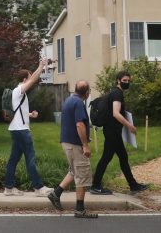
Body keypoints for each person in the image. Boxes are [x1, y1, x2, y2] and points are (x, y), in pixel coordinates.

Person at [90, 70, 149, 195]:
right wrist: (129, 126)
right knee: (106, 158)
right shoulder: (117, 94)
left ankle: (133, 185)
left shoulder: (115, 92)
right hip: (112, 132)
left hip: (112, 131)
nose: (127, 83)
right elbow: (116, 113)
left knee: (122, 157)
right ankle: (95, 186)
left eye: (128, 81)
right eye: (124, 81)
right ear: (118, 80)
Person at [2, 58, 53, 197]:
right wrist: (41, 66)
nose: (32, 80)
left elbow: (18, 111)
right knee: (30, 158)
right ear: (24, 80)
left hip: (15, 129)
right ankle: (39, 188)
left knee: (13, 159)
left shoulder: (16, 92)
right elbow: (34, 79)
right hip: (22, 131)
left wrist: (30, 114)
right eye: (29, 78)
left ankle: (8, 188)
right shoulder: (19, 90)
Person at [47, 80, 97, 219]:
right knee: (82, 174)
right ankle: (80, 210)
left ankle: (55, 194)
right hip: (75, 144)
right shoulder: (79, 103)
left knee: (74, 171)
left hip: (67, 142)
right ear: (86, 93)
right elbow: (79, 125)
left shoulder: (69, 100)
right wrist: (85, 145)